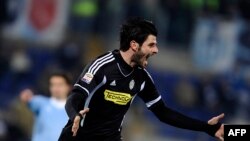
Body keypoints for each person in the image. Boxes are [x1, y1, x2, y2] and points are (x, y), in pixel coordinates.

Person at [59, 18, 224, 141]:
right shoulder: (102, 67)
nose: (156, 50)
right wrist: (75, 116)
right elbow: (75, 97)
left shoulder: (142, 78)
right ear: (134, 45)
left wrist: (206, 128)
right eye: (151, 45)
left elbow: (163, 113)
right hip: (77, 136)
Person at [20, 72, 71, 141]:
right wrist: (26, 95)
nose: (56, 88)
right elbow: (28, 99)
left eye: (60, 85)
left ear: (68, 87)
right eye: (53, 85)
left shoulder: (73, 109)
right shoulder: (41, 103)